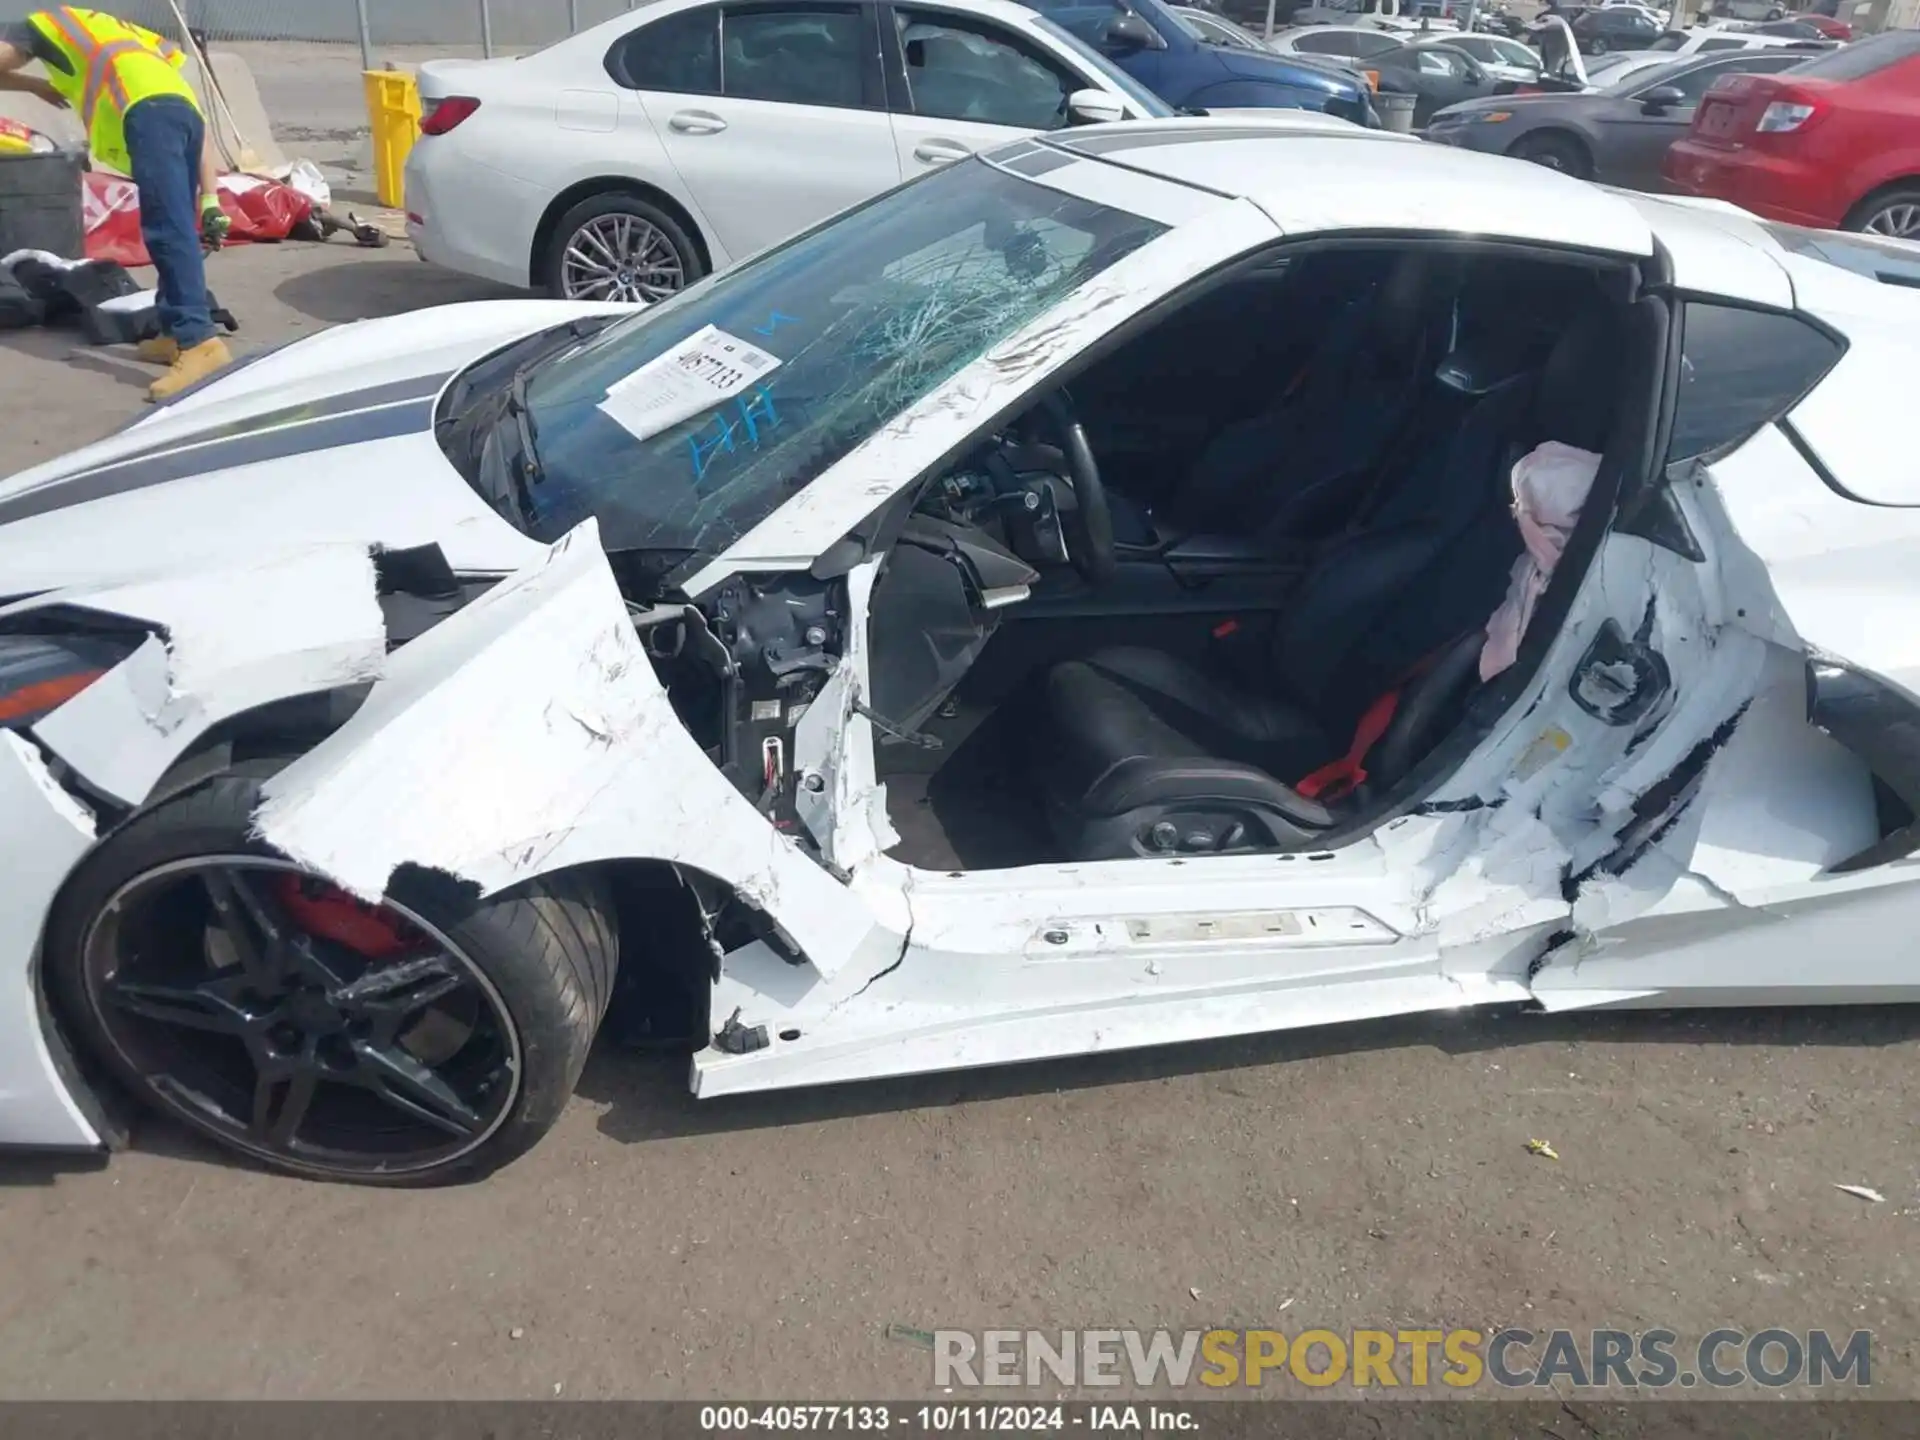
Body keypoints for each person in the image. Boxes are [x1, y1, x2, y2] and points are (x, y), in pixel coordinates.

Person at [0, 7, 233, 401]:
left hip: (148, 117)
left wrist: (31, 85)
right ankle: (174, 330)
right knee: (176, 226)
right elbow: (201, 131)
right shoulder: (121, 33)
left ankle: (199, 343)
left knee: (166, 232)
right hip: (183, 114)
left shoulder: (41, 26)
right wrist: (210, 198)